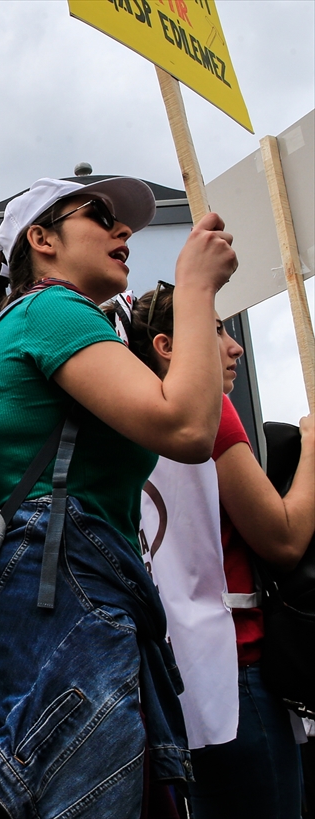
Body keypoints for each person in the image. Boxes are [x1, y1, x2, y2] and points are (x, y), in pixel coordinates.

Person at [0, 177, 237, 818]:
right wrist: (196, 288)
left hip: (63, 593)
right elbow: (188, 427)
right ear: (42, 240)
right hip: (68, 597)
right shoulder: (51, 311)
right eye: (101, 216)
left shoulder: (54, 321)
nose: (124, 232)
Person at [123, 283, 314, 818]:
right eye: (217, 331)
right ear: (167, 346)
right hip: (236, 671)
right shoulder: (209, 414)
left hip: (169, 675)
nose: (235, 347)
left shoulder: (127, 413)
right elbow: (282, 538)